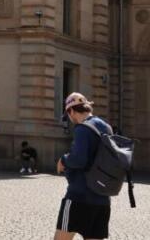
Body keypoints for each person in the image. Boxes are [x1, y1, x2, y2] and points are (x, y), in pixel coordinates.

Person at [56, 93, 113, 240]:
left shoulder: (82, 128)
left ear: (72, 111)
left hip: (79, 197)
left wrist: (63, 159)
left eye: (68, 114)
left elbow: (78, 160)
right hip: (102, 198)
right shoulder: (106, 127)